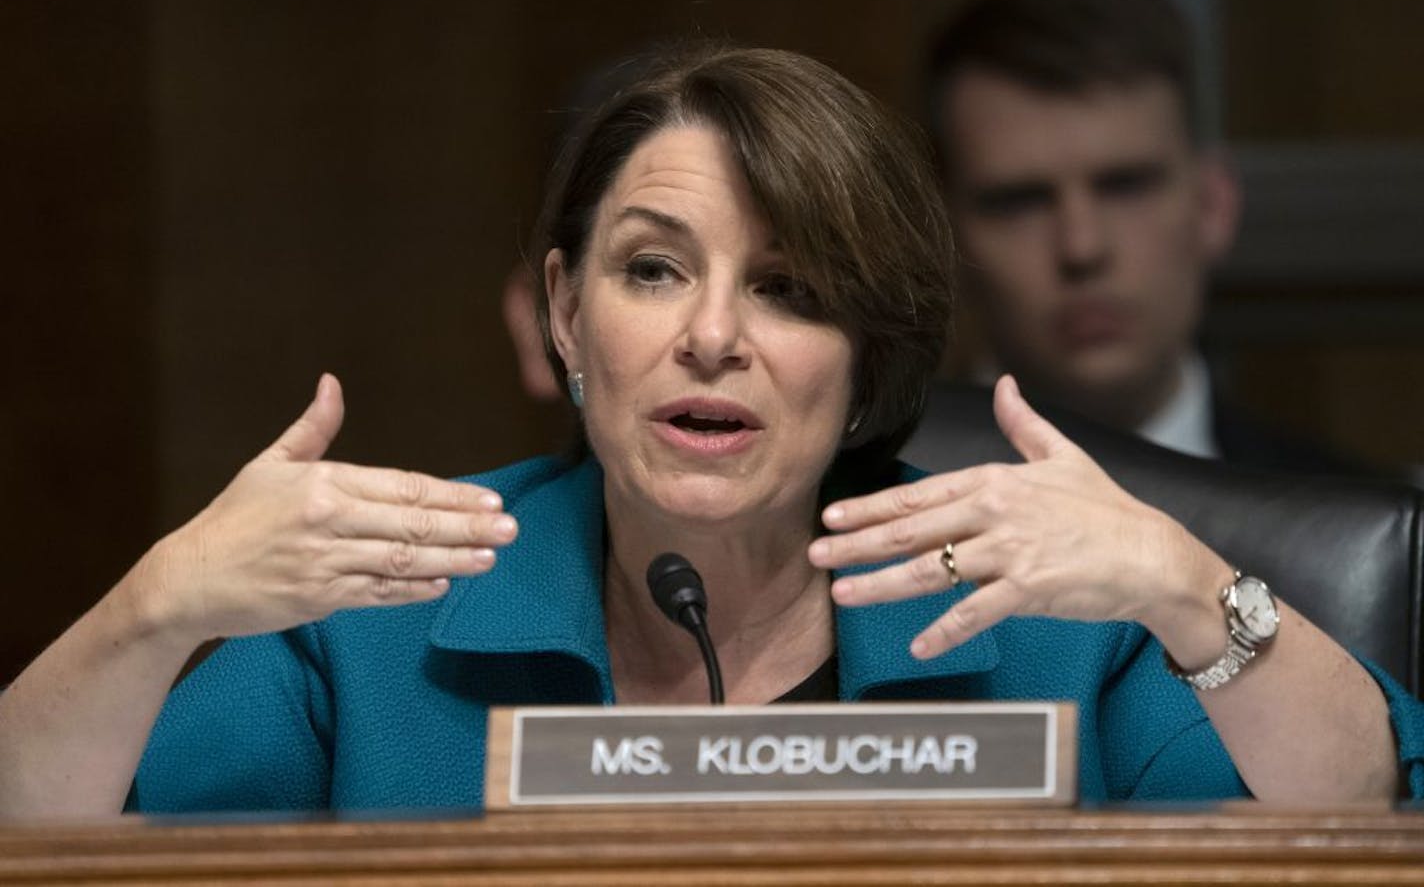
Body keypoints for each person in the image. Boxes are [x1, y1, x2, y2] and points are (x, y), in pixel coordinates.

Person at [0, 43, 1416, 818]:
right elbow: (44, 835)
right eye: (654, 268)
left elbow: (1357, 809)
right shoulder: (381, 612)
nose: (715, 337)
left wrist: (1181, 584)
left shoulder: (1040, 619)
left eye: (791, 288)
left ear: (867, 353)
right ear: (565, 310)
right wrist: (152, 608)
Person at [905, 0, 1356, 474]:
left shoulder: (1366, 532)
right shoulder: (851, 516)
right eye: (1020, 202)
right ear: (944, 238)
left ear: (1213, 205)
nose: (1082, 247)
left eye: (1125, 186)